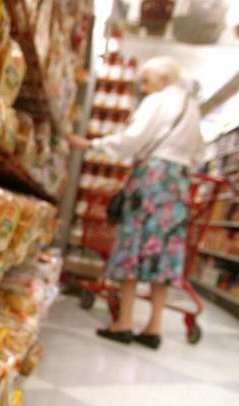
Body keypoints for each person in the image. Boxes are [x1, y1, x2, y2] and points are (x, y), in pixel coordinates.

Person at [68, 56, 205, 349]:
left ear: (163, 79)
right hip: (178, 182)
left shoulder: (157, 101)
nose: (143, 88)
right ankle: (154, 327)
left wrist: (92, 144)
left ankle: (125, 322)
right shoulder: (191, 107)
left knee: (132, 246)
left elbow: (133, 139)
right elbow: (198, 154)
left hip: (151, 178)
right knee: (164, 252)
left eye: (146, 81)